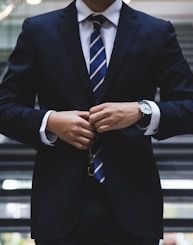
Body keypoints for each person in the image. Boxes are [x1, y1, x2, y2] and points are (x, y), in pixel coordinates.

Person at [0, 0, 193, 244]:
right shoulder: (38, 29)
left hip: (134, 207)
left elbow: (189, 106)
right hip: (59, 206)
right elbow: (5, 108)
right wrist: (50, 121)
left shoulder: (156, 31)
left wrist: (142, 110)